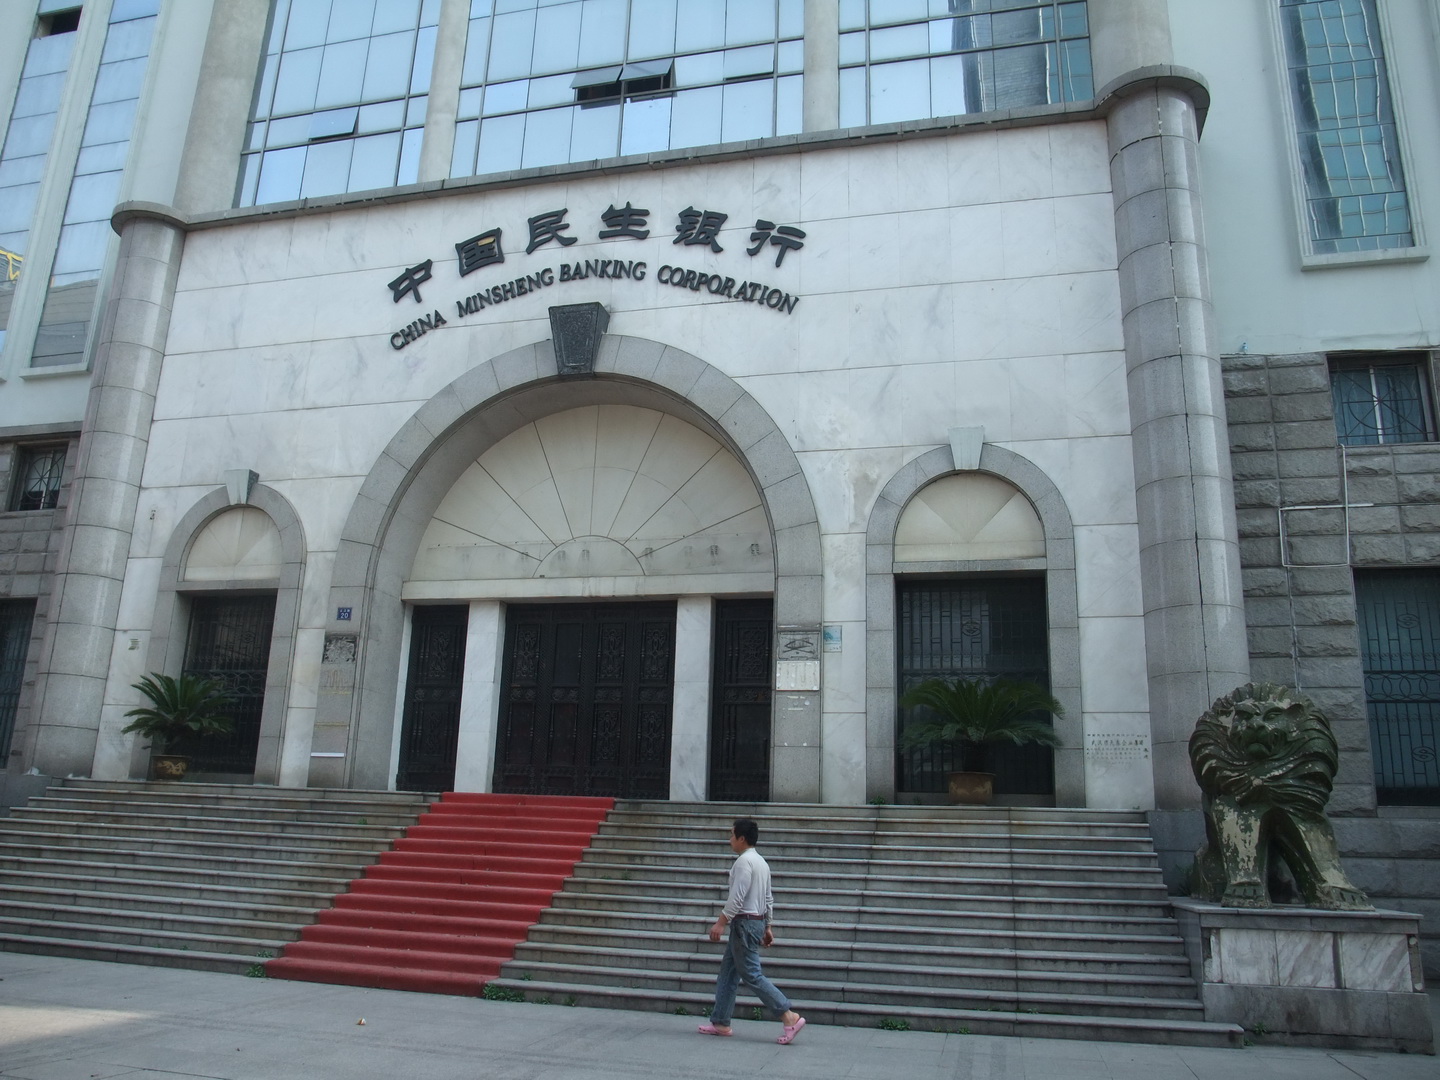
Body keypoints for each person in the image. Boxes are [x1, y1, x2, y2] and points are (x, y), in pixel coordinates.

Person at [697, 818, 806, 1045]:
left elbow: (737, 898)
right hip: (754, 922)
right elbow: (768, 898)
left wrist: (720, 922)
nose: (730, 839)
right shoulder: (761, 862)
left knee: (751, 974)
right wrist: (767, 926)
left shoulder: (744, 862)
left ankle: (789, 1016)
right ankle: (720, 1022)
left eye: (732, 835)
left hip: (744, 924)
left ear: (741, 838)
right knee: (728, 973)